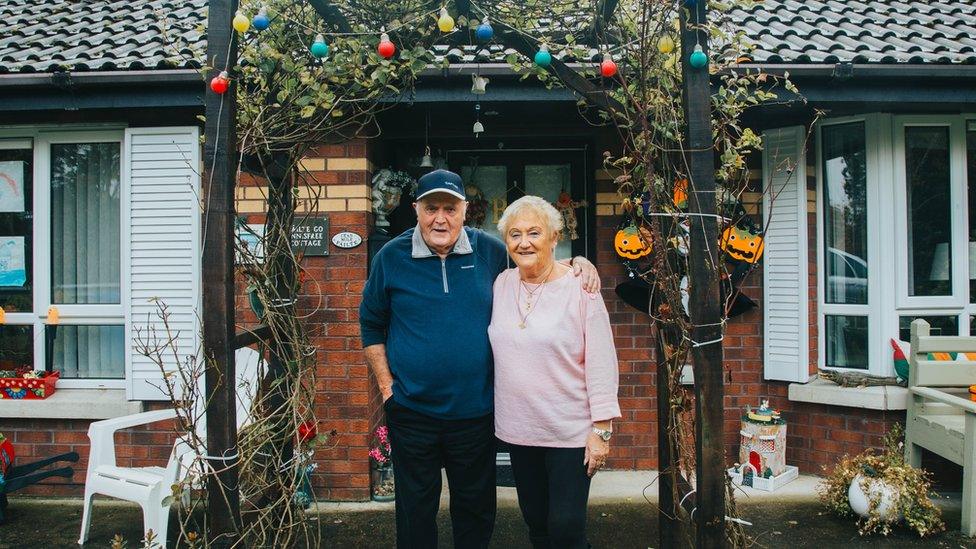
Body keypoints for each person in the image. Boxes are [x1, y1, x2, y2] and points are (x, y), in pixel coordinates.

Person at [359, 170, 599, 548]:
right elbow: (371, 324)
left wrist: (579, 264)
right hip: (412, 411)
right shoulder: (391, 257)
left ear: (464, 210)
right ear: (416, 210)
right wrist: (387, 388)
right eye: (431, 208)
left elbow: (536, 260)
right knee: (415, 513)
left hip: (474, 413)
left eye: (450, 208)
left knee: (474, 512)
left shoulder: (489, 250)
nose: (441, 218)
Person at [488, 195, 621, 549]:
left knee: (566, 527)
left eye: (534, 232)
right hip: (519, 431)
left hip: (570, 432)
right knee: (536, 522)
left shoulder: (581, 288)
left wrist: (602, 430)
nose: (524, 242)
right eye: (514, 234)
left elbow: (602, 361)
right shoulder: (501, 284)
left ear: (554, 237)